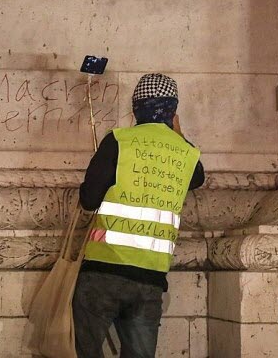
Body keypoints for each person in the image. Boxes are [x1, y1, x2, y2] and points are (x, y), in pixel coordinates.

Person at [73, 73, 205, 358]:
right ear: (173, 112)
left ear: (135, 109)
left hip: (104, 271)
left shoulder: (119, 141)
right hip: (150, 279)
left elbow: (88, 199)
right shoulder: (187, 153)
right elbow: (196, 179)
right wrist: (177, 134)